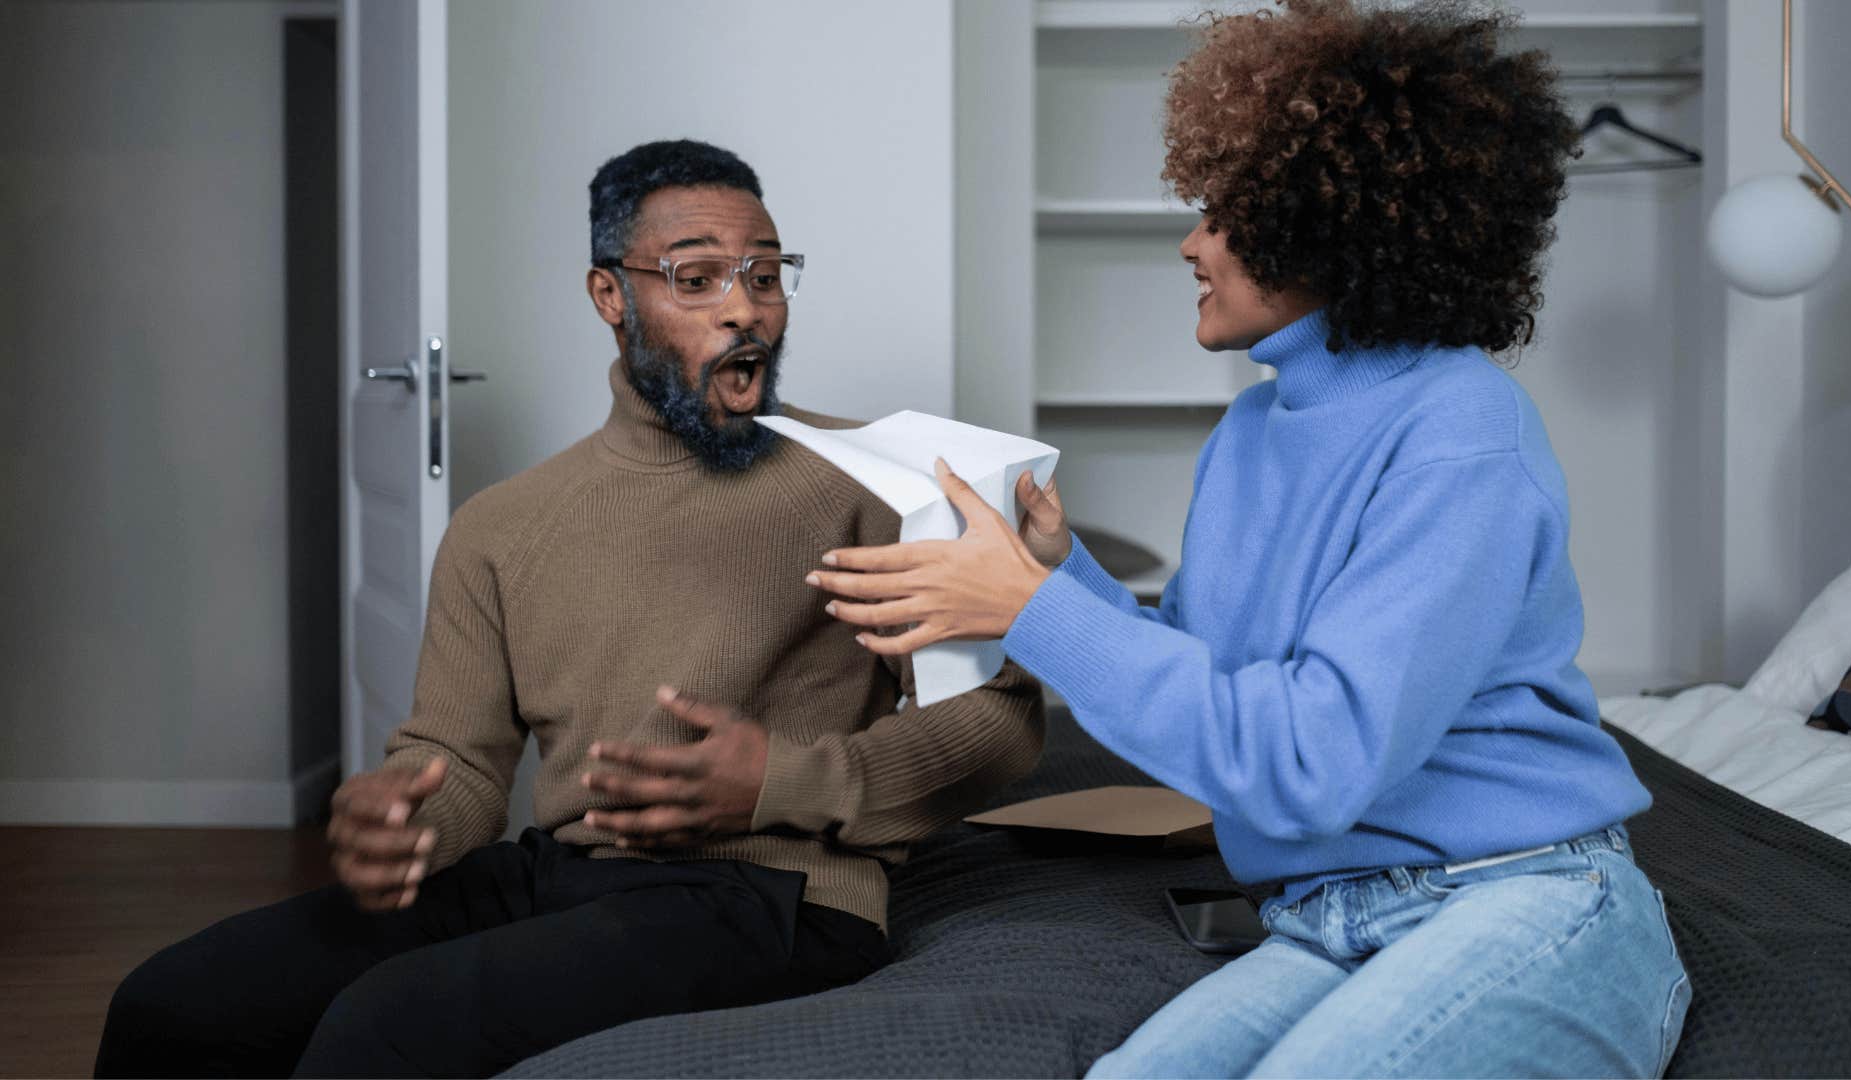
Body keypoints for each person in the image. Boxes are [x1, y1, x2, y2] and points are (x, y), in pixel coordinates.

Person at [810, 2, 1691, 1076]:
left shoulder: (1462, 433)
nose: (1190, 243)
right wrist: (1060, 574)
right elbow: (1210, 694)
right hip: (1327, 918)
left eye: (1223, 213)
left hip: (1524, 895)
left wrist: (1028, 613)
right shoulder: (1251, 431)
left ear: (1327, 226)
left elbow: (1310, 764)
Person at [95, 139, 1045, 1079]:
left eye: (764, 274)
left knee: (392, 1027)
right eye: (698, 278)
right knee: (177, 1002)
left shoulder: (877, 483)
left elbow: (1000, 725)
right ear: (610, 296)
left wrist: (780, 782)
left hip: (778, 892)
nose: (745, 310)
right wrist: (401, 817)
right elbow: (458, 760)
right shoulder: (503, 525)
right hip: (559, 872)